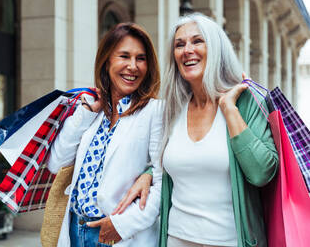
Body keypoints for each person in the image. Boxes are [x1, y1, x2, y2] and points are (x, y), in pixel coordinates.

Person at [113, 13, 278, 247]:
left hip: (231, 241)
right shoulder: (172, 108)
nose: (187, 50)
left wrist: (228, 109)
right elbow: (175, 160)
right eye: (179, 45)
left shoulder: (245, 101)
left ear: (216, 49)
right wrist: (148, 174)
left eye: (197, 41)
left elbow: (262, 173)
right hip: (177, 239)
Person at [47, 22, 163, 247]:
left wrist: (121, 225)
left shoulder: (155, 111)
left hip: (120, 235)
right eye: (124, 56)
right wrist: (86, 114)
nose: (133, 66)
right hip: (75, 231)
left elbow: (163, 182)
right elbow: (56, 164)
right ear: (107, 60)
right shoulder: (94, 113)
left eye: (140, 58)